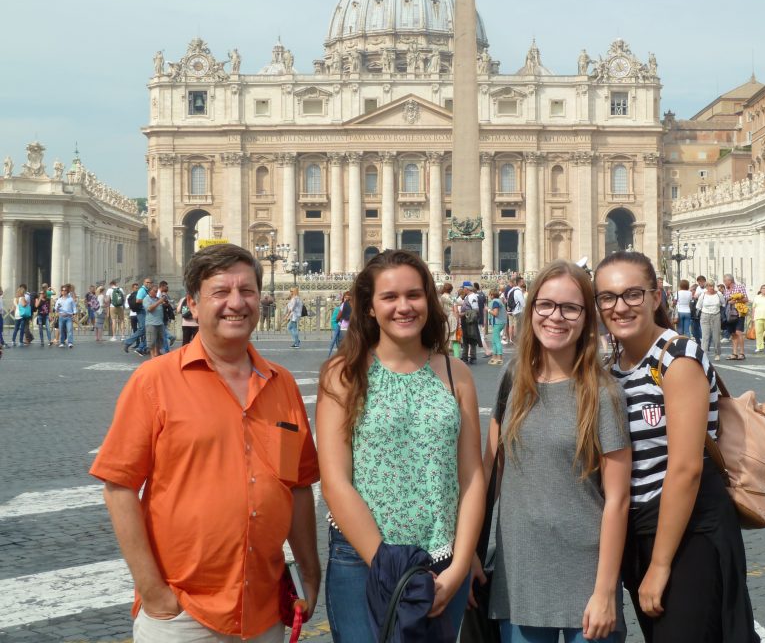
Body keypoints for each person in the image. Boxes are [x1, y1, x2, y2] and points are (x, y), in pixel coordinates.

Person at [90, 243, 320, 642]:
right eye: (221, 292)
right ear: (193, 305)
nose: (237, 303)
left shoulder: (283, 384)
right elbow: (119, 487)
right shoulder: (154, 380)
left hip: (264, 607)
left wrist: (310, 573)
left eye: (247, 291)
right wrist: (153, 591)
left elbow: (298, 487)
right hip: (183, 612)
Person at [316, 249, 484, 642]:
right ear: (369, 307)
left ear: (428, 300)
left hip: (441, 561)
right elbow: (335, 482)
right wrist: (388, 567)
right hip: (362, 559)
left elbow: (472, 477)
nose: (403, 306)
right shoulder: (343, 374)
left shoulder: (456, 373)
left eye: (414, 295)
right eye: (390, 297)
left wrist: (460, 565)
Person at [594, 251, 757, 643]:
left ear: (656, 297)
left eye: (633, 294)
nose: (620, 306)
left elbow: (686, 468)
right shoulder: (614, 366)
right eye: (608, 297)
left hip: (686, 534)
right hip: (641, 532)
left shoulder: (677, 358)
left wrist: (661, 564)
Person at [483, 260, 630, 642]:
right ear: (531, 308)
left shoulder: (604, 394)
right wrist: (469, 558)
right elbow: (490, 477)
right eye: (546, 305)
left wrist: (605, 592)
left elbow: (617, 499)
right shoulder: (511, 379)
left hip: (588, 577)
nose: (556, 317)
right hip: (520, 575)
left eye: (570, 308)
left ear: (586, 319)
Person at [696, 281, 723, 360]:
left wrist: (717, 308)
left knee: (716, 336)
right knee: (705, 337)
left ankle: (717, 353)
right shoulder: (703, 295)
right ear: (706, 287)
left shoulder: (719, 294)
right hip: (705, 316)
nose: (711, 288)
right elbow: (698, 306)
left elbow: (723, 303)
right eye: (709, 286)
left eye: (712, 286)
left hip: (716, 315)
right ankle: (704, 355)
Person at [459, 283, 482, 365]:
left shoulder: (472, 297)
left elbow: (476, 310)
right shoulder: (467, 296)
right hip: (466, 321)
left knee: (472, 339)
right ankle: (464, 356)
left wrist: (464, 313)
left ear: (467, 288)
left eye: (463, 288)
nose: (462, 289)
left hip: (470, 321)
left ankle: (473, 357)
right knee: (465, 339)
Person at [487, 288, 507, 366]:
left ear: (492, 295)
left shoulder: (495, 302)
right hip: (500, 322)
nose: (489, 296)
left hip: (497, 322)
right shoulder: (499, 301)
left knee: (497, 340)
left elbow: (495, 313)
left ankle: (499, 358)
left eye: (490, 294)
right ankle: (494, 357)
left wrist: (488, 310)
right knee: (494, 340)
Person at [54, 285, 76, 349]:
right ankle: (62, 342)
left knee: (69, 330)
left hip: (69, 316)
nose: (64, 291)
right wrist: (58, 308)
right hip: (61, 316)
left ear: (67, 291)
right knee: (61, 330)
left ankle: (70, 343)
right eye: (62, 290)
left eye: (65, 290)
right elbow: (56, 309)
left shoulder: (70, 299)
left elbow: (74, 307)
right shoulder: (59, 300)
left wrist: (74, 314)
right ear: (61, 291)